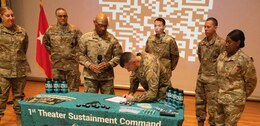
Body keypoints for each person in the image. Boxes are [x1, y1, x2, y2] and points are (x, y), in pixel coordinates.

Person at [215, 29, 257, 126]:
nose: (226, 44)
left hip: (234, 102)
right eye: (226, 41)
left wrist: (240, 95)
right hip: (220, 98)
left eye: (229, 42)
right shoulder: (222, 56)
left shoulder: (244, 60)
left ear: (238, 43)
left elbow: (251, 82)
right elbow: (218, 75)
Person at [0, 7, 31, 125]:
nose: (11, 18)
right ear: (1, 16)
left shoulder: (22, 31)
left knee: (19, 97)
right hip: (3, 71)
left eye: (12, 15)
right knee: (1, 97)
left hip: (20, 69)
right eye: (7, 16)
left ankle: (20, 121)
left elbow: (24, 48)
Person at [79, 12, 123, 94]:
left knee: (108, 102)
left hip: (106, 78)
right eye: (100, 25)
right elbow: (79, 55)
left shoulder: (112, 39)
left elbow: (119, 56)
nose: (103, 28)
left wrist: (109, 64)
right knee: (89, 102)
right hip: (90, 77)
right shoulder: (85, 38)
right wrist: (90, 65)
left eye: (105, 26)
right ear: (94, 22)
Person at [195, 17, 225, 126]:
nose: (206, 29)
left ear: (215, 27)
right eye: (205, 27)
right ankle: (200, 123)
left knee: (213, 107)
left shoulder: (221, 43)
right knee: (199, 103)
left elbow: (223, 62)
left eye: (208, 27)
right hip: (201, 78)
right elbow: (201, 58)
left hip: (214, 81)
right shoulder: (202, 43)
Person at [43, 8, 82, 91]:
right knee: (59, 92)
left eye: (65, 16)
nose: (63, 18)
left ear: (67, 16)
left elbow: (81, 44)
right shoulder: (50, 30)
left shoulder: (74, 30)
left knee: (74, 91)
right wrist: (54, 53)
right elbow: (46, 43)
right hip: (57, 66)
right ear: (56, 17)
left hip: (72, 66)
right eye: (60, 16)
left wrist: (74, 54)